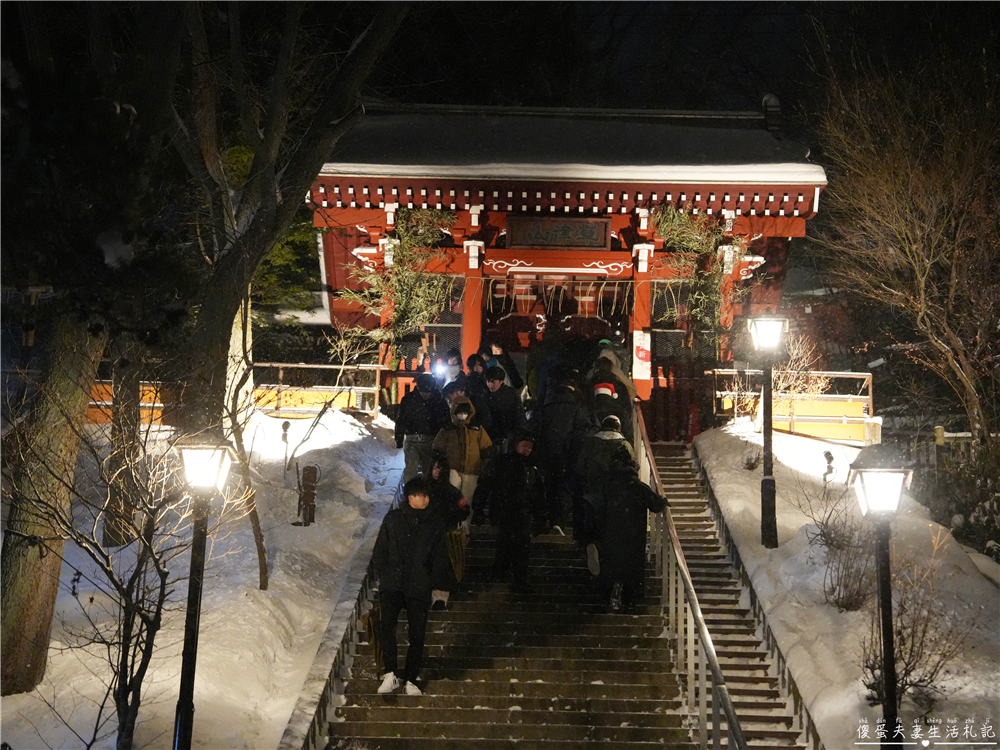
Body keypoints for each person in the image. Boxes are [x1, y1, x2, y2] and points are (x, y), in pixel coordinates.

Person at [371, 476, 451, 695]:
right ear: (410, 496)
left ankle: (411, 677)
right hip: (393, 582)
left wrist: (440, 587)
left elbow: (439, 556)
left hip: (418, 583)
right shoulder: (394, 519)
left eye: (426, 495)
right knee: (387, 626)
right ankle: (390, 673)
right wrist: (383, 573)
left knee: (417, 633)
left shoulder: (434, 523)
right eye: (420, 495)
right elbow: (381, 549)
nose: (424, 499)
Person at [472, 433, 545, 594]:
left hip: (521, 512)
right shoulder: (502, 462)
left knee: (521, 547)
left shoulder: (531, 467)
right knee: (505, 543)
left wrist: (540, 516)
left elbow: (537, 494)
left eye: (530, 447)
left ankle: (517, 578)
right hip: (503, 511)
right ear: (515, 444)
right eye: (525, 445)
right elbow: (485, 484)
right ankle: (502, 573)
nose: (527, 450)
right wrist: (478, 508)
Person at [597, 456, 667, 612]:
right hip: (633, 534)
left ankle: (611, 590)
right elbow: (655, 504)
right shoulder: (637, 486)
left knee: (613, 563)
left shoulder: (610, 487)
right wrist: (663, 501)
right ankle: (630, 599)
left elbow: (600, 509)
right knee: (632, 566)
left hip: (612, 533)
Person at [574, 414, 636, 574]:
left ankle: (589, 545)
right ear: (618, 427)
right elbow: (632, 468)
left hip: (592, 492)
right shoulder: (624, 445)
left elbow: (580, 466)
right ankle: (605, 556)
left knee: (592, 522)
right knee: (611, 527)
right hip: (616, 495)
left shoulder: (591, 443)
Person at [528, 382, 590, 532]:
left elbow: (534, 429)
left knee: (548, 487)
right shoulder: (576, 410)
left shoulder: (545, 409)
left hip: (547, 456)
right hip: (568, 456)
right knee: (564, 489)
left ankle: (544, 520)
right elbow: (582, 433)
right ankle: (559, 521)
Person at [426, 452, 471, 610]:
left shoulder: (451, 491)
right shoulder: (424, 488)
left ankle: (440, 598)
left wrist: (461, 507)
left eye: (440, 469)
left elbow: (461, 514)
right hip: (425, 534)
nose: (437, 472)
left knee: (441, 566)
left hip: (443, 535)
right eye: (435, 468)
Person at [432, 396, 492, 501]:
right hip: (452, 469)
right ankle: (453, 517)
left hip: (473, 470)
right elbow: (437, 447)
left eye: (465, 412)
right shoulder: (448, 429)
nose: (463, 415)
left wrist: (486, 465)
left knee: (468, 498)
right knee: (452, 497)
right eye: (460, 412)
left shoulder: (477, 428)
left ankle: (466, 517)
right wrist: (440, 463)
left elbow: (486, 448)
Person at [395, 373, 451, 482]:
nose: (425, 394)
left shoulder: (439, 401)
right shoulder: (408, 399)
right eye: (423, 391)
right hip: (412, 438)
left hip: (431, 439)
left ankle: (427, 495)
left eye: (428, 391)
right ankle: (410, 495)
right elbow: (401, 420)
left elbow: (446, 421)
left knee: (429, 471)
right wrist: (399, 438)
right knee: (411, 470)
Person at [484, 365, 527, 452]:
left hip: (508, 436)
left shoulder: (511, 394)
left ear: (501, 381)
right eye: (488, 381)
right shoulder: (485, 395)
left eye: (492, 381)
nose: (490, 384)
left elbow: (519, 415)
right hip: (492, 436)